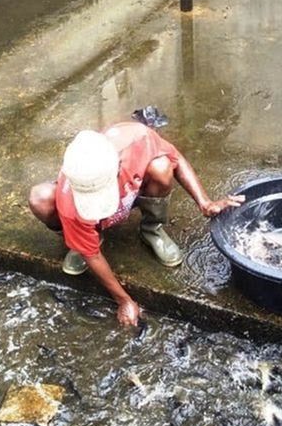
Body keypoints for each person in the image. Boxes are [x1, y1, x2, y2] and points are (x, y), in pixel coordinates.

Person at [28, 122, 244, 327]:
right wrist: (123, 300)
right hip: (83, 217)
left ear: (118, 164)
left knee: (161, 167)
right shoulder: (70, 196)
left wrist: (204, 202)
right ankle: (83, 238)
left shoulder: (138, 139)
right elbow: (92, 256)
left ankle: (152, 228)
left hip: (132, 194)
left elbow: (175, 157)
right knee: (41, 198)